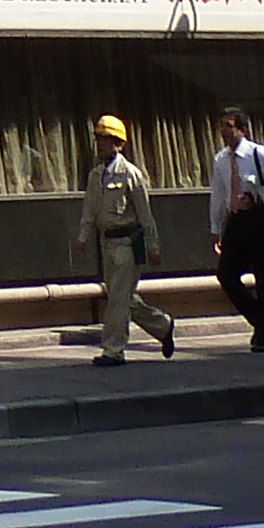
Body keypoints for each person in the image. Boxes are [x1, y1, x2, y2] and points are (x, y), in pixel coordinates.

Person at [74, 113, 176, 365]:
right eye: (98, 139)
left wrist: (153, 246)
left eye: (106, 139)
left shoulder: (131, 174)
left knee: (117, 300)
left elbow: (145, 214)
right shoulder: (96, 176)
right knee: (123, 297)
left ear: (119, 144)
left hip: (127, 244)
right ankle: (162, 325)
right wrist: (83, 237)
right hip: (106, 242)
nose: (100, 144)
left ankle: (113, 350)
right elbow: (89, 209)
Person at [207, 104, 264, 353]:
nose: (223, 131)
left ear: (242, 130)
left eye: (229, 126)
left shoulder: (258, 154)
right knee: (226, 274)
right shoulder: (221, 159)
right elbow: (218, 193)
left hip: (260, 221)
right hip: (236, 223)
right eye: (221, 125)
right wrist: (216, 227)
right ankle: (260, 319)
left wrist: (255, 197)